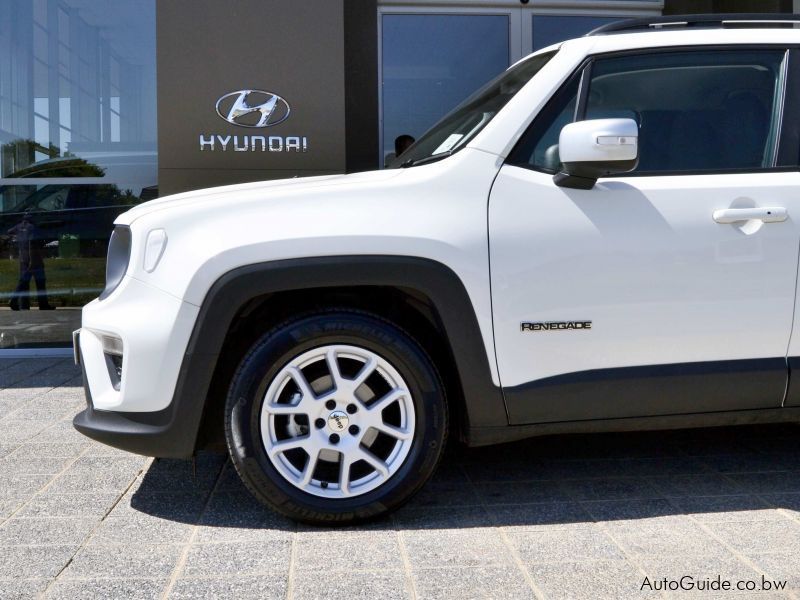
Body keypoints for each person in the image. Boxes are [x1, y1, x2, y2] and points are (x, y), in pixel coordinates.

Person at [8, 213, 55, 311]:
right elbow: (31, 244)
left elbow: (9, 232)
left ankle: (23, 305)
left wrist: (18, 239)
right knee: (40, 282)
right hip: (34, 259)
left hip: (22, 258)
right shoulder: (32, 228)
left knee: (23, 282)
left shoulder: (18, 226)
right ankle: (43, 304)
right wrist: (32, 261)